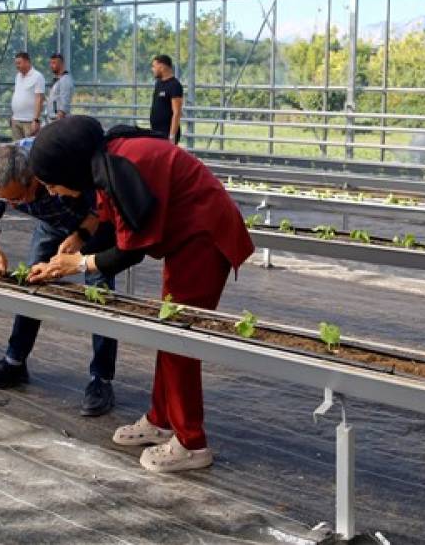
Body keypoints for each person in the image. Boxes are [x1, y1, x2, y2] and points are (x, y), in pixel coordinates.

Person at [27, 116, 254, 472]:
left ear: (69, 168)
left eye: (53, 184)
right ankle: (162, 420)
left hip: (204, 237)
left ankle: (191, 443)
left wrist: (78, 265)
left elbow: (128, 251)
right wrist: (77, 241)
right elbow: (109, 217)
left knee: (179, 339)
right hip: (188, 239)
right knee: (167, 335)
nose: (54, 192)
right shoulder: (107, 157)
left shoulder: (122, 165)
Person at [0, 141, 120, 415]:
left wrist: (79, 238)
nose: (16, 204)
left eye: (19, 197)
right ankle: (14, 362)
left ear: (34, 178)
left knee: (100, 297)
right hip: (52, 225)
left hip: (95, 229)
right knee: (31, 283)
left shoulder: (59, 162)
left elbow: (102, 205)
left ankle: (101, 378)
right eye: (9, 200)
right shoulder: (1, 176)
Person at [149, 54, 183, 144]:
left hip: (167, 133)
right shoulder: (158, 83)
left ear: (162, 67)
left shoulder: (175, 85)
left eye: (154, 66)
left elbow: (177, 112)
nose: (152, 69)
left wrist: (172, 136)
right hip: (156, 131)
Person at [11, 52, 45, 139]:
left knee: (29, 148)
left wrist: (36, 120)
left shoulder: (38, 76)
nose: (17, 66)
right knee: (17, 149)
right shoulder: (17, 76)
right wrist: (12, 116)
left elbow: (39, 99)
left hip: (29, 121)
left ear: (27, 62)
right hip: (16, 119)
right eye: (16, 63)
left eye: (19, 63)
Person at [46, 53, 73, 121]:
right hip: (52, 118)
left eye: (54, 63)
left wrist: (59, 118)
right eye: (51, 63)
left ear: (61, 64)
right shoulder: (57, 79)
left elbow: (65, 100)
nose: (51, 66)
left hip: (59, 119)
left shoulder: (65, 79)